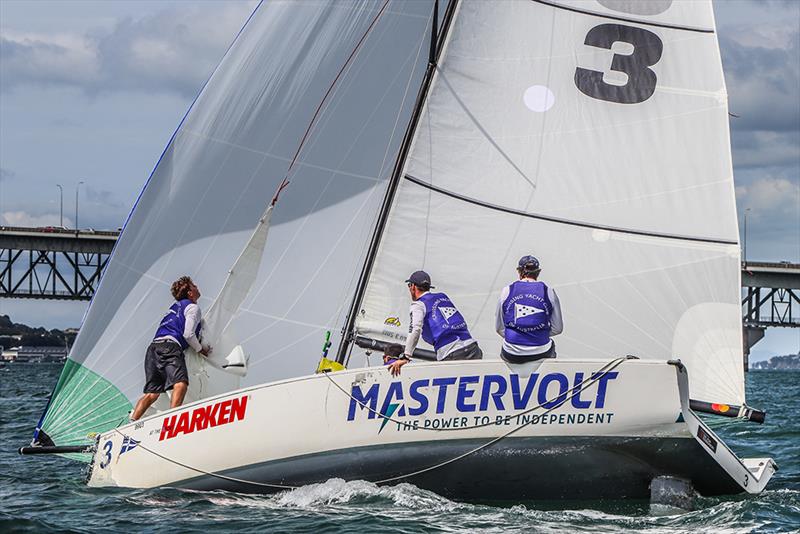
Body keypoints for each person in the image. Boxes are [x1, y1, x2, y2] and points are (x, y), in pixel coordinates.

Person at [130, 276, 212, 421]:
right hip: (170, 347)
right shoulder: (193, 307)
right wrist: (201, 350)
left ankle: (133, 422)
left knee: (151, 394)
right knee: (180, 384)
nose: (196, 286)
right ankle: (172, 419)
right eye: (193, 285)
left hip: (153, 349)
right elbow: (188, 334)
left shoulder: (174, 308)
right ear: (189, 293)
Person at [403, 270, 482, 364]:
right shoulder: (443, 296)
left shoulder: (418, 304)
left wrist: (406, 356)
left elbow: (415, 328)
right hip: (473, 348)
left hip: (452, 354)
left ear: (413, 286)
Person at [495, 255, 563, 364]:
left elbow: (499, 328)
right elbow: (558, 328)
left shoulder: (506, 291)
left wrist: (520, 334)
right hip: (541, 350)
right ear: (538, 272)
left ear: (519, 272)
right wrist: (536, 333)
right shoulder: (549, 291)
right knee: (550, 345)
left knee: (506, 346)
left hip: (512, 352)